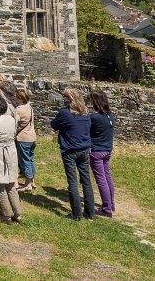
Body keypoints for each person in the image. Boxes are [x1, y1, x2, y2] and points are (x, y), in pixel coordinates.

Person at [51, 88, 96, 220]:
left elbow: (54, 124)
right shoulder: (85, 113)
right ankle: (90, 212)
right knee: (86, 180)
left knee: (73, 182)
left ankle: (77, 214)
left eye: (64, 97)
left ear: (68, 99)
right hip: (84, 148)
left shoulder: (65, 113)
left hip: (70, 149)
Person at [89, 90, 116, 217]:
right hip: (107, 150)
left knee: (101, 179)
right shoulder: (110, 115)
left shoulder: (94, 117)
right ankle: (111, 203)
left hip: (97, 151)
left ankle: (107, 208)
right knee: (107, 176)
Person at [13, 89, 37, 192]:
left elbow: (14, 125)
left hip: (23, 138)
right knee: (30, 159)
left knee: (25, 161)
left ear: (20, 98)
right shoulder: (30, 108)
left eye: (16, 96)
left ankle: (28, 184)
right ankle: (31, 180)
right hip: (32, 136)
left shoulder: (18, 110)